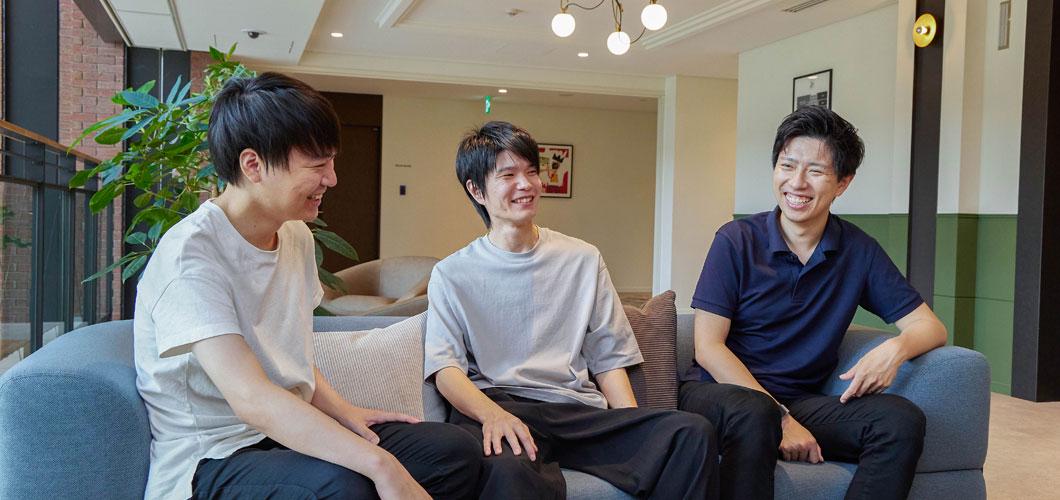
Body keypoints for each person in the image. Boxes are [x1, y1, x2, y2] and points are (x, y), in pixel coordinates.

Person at [133, 72, 482, 500]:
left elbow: (290, 355)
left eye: (330, 162)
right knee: (348, 484)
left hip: (287, 430)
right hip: (214, 455)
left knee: (453, 453)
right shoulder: (191, 255)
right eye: (317, 165)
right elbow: (251, 400)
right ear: (253, 165)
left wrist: (345, 413)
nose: (332, 179)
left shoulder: (295, 234)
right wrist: (379, 464)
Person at [424, 120, 717, 500]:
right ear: (476, 190)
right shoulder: (452, 274)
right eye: (508, 175)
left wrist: (631, 423)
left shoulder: (582, 258)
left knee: (690, 433)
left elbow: (609, 355)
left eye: (532, 172)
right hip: (501, 405)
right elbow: (446, 370)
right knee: (508, 470)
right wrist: (492, 415)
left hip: (575, 408)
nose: (526, 184)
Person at [678, 106, 947, 500]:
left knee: (899, 420)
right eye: (787, 166)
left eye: (816, 171)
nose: (797, 182)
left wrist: (895, 350)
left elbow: (931, 327)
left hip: (799, 400)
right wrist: (781, 419)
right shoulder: (736, 240)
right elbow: (708, 347)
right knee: (756, 413)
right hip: (718, 393)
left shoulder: (859, 250)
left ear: (843, 183)